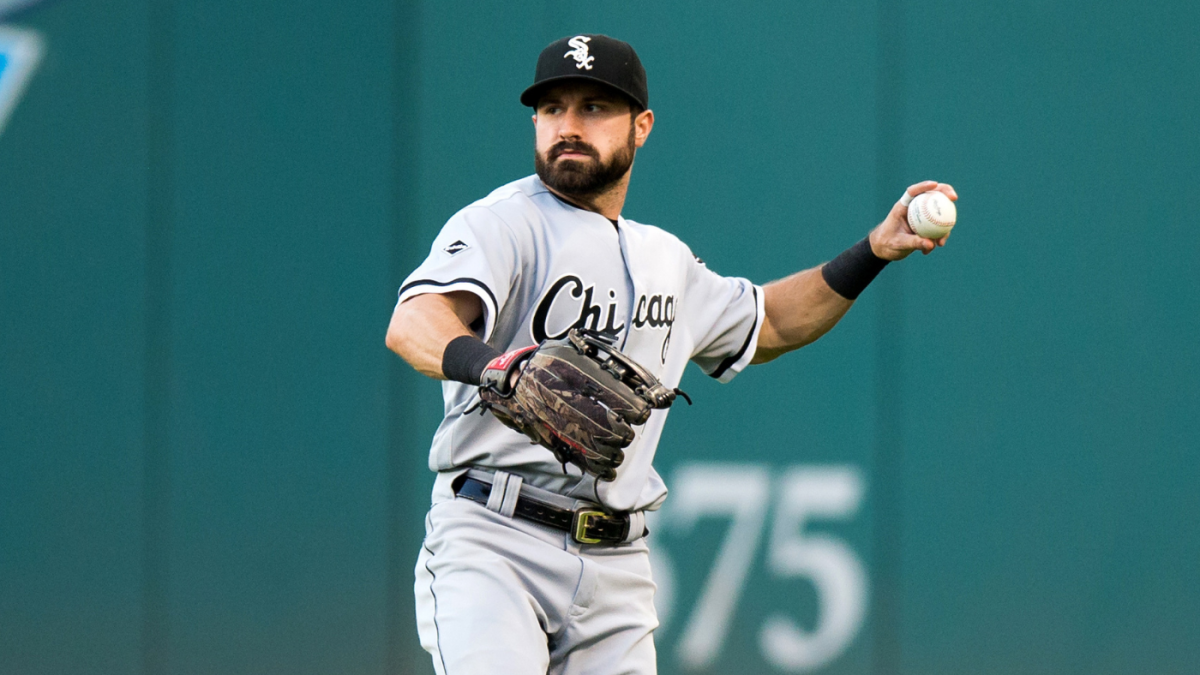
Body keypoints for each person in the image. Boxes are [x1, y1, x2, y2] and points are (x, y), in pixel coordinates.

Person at [385, 34, 956, 675]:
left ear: (642, 126)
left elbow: (770, 323)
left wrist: (874, 250)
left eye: (594, 108)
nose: (568, 126)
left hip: (615, 567)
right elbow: (415, 323)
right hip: (495, 541)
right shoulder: (501, 223)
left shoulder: (665, 259)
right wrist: (501, 367)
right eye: (552, 109)